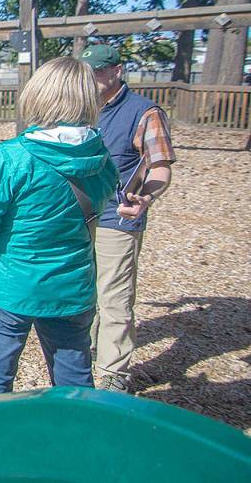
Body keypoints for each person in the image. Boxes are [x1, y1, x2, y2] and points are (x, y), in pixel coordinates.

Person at [0, 56, 118, 396]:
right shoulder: (100, 157)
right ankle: (76, 444)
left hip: (9, 286)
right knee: (74, 386)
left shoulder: (11, 157)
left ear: (40, 96)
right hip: (71, 287)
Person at [79, 44, 175, 392]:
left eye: (98, 71)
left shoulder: (144, 112)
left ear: (117, 71)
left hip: (117, 216)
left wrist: (146, 196)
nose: (91, 78)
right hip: (80, 215)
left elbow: (160, 167)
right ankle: (85, 350)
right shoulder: (82, 109)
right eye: (87, 72)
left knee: (114, 296)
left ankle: (112, 374)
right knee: (82, 287)